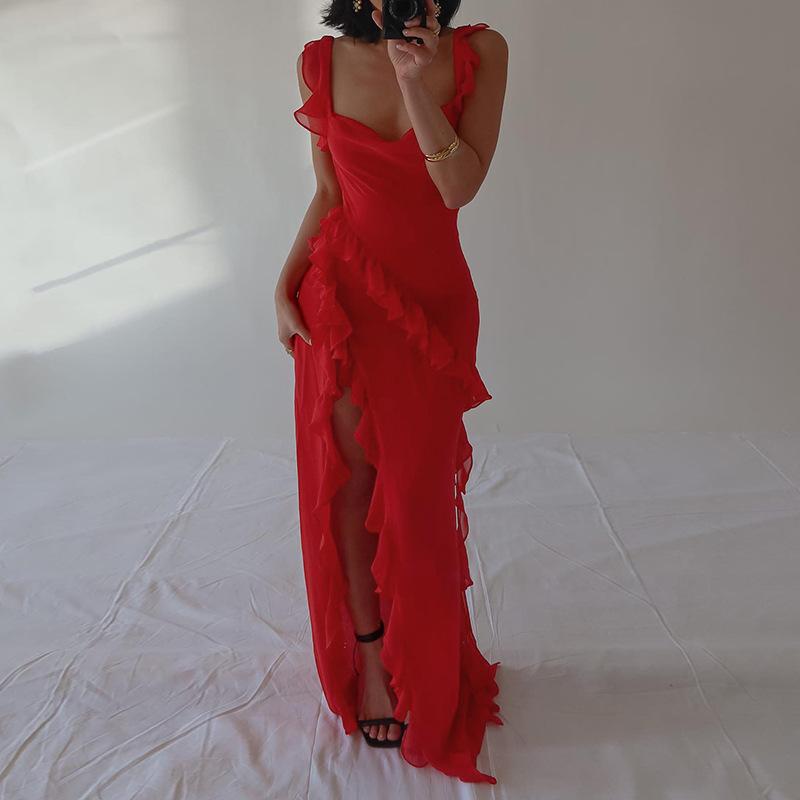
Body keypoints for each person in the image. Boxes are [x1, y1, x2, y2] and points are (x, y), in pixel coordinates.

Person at [274, 0, 508, 785]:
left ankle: (427, 664)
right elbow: (330, 192)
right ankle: (373, 661)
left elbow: (457, 188)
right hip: (340, 296)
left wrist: (413, 82)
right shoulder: (319, 62)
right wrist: (284, 282)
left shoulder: (481, 53)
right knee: (349, 490)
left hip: (429, 309)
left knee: (414, 499)